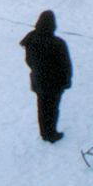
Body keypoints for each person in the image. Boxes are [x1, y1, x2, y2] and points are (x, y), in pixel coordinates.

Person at [20, 10, 73, 143]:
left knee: (42, 107)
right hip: (55, 82)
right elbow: (66, 65)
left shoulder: (31, 39)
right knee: (53, 108)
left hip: (38, 80)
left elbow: (29, 60)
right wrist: (67, 81)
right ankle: (51, 133)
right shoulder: (58, 43)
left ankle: (44, 132)